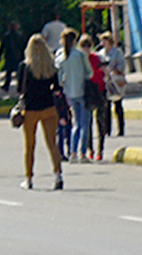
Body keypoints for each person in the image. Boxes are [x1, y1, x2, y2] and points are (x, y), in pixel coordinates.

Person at [14, 34, 66, 190]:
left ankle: (29, 179)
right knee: (52, 143)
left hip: (30, 109)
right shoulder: (51, 67)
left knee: (30, 145)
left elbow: (19, 89)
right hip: (49, 108)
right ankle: (58, 175)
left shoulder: (24, 67)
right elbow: (56, 89)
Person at [56, 28, 92, 162]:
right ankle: (82, 153)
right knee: (85, 124)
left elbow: (59, 78)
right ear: (75, 40)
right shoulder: (80, 55)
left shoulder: (61, 57)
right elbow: (90, 72)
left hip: (69, 93)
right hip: (82, 91)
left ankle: (72, 152)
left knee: (75, 124)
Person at [82, 33, 110, 161]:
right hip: (87, 92)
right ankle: (90, 149)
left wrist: (107, 76)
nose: (86, 48)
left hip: (99, 90)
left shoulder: (97, 57)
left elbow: (106, 72)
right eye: (83, 46)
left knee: (101, 121)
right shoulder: (80, 59)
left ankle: (100, 149)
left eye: (88, 46)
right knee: (87, 122)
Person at [100, 32, 127, 138]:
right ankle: (107, 129)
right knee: (106, 106)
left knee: (118, 105)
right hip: (106, 81)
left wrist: (115, 70)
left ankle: (121, 129)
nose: (102, 43)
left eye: (104, 40)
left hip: (116, 81)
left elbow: (122, 65)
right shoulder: (101, 53)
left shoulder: (117, 52)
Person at [0, 23, 24, 91]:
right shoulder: (19, 36)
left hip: (9, 56)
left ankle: (6, 85)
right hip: (17, 56)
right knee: (19, 72)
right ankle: (19, 86)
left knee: (8, 72)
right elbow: (22, 47)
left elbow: (2, 47)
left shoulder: (6, 36)